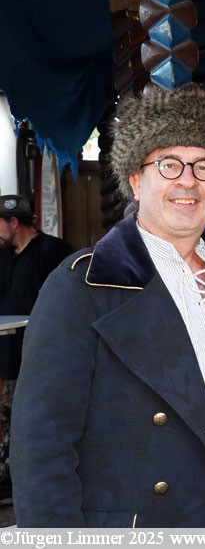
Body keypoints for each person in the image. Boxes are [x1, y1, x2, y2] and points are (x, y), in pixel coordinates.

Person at [10, 84, 205, 528]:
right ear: (136, 181)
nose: (187, 181)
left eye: (203, 167)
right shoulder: (83, 286)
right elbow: (41, 449)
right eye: (168, 163)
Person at [0, 195, 74, 500]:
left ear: (13, 222)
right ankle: (10, 477)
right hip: (8, 355)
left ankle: (37, 482)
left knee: (41, 419)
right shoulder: (4, 256)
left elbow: (70, 302)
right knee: (10, 415)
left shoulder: (53, 252)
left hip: (44, 356)